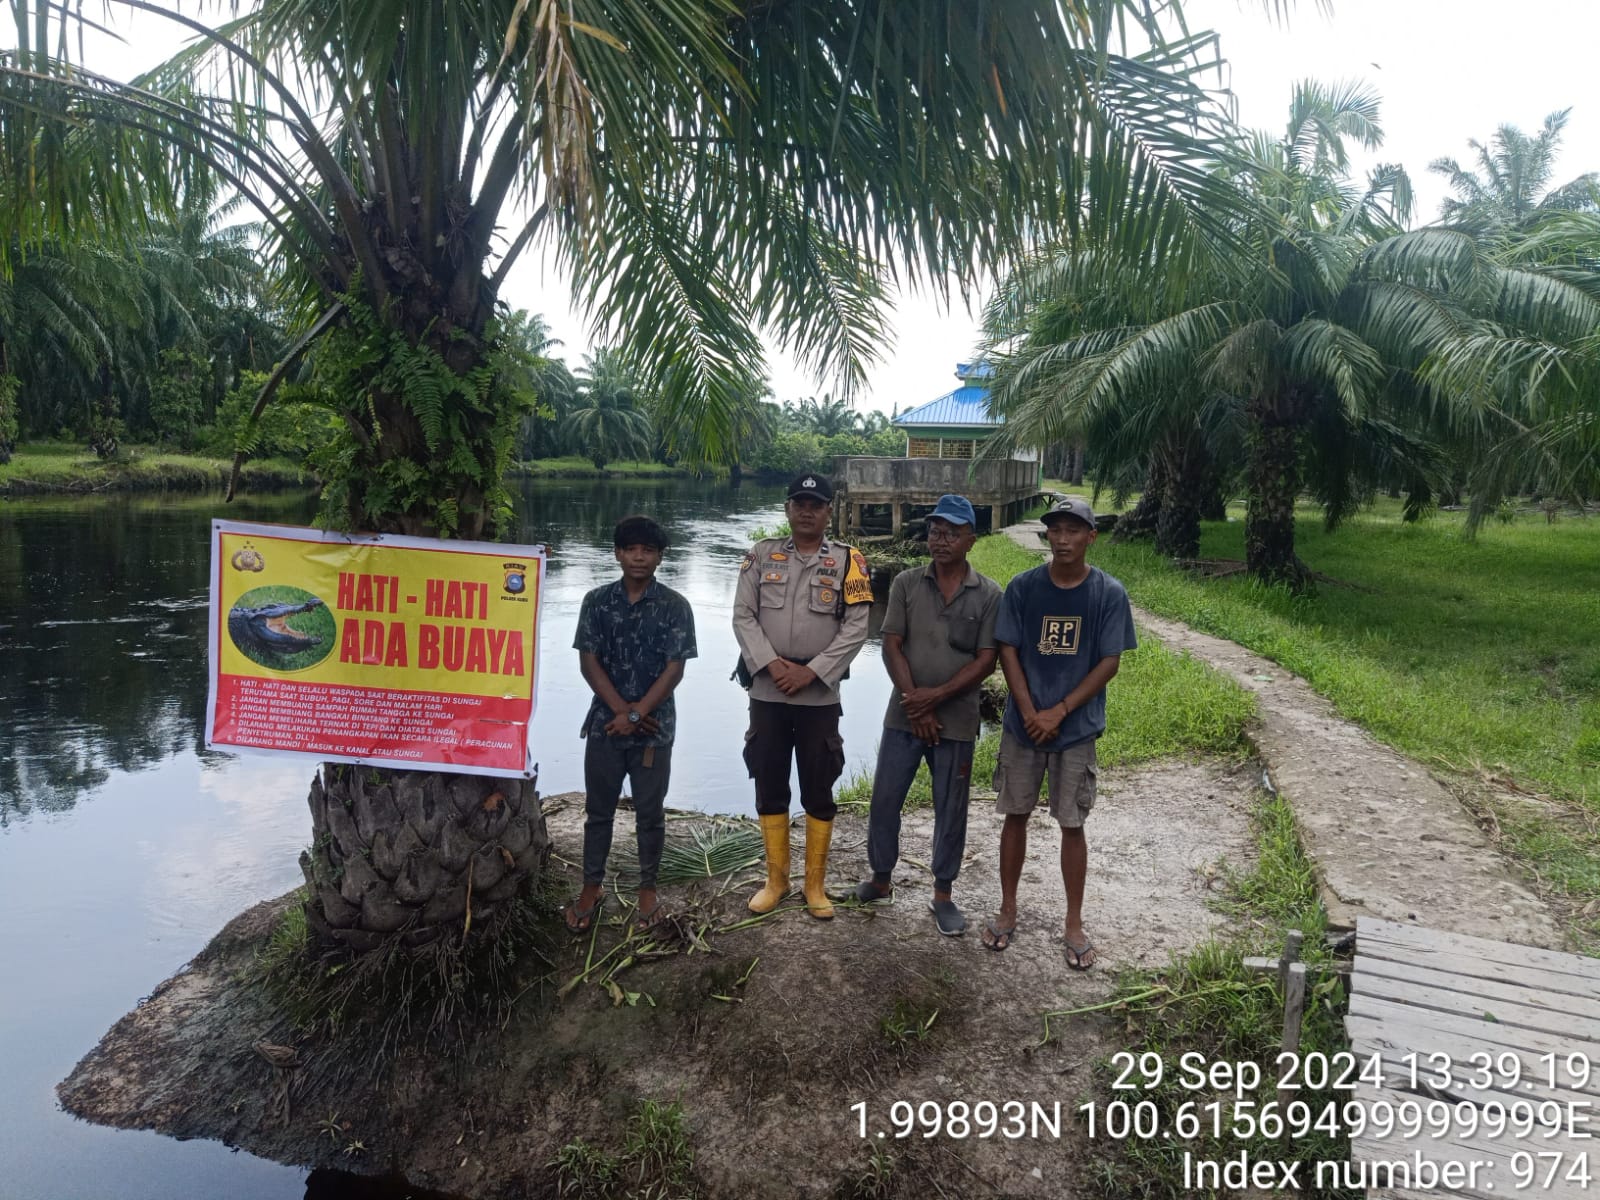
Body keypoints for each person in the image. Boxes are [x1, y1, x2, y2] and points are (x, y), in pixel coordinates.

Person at [983, 496, 1137, 969]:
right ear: (1046, 536)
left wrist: (1060, 712)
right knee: (1015, 815)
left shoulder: (1107, 594)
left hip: (1076, 730)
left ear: (1091, 537)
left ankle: (1073, 922)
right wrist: (1029, 708)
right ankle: (1008, 909)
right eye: (1056, 530)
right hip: (1022, 727)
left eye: (1074, 531)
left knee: (1073, 823)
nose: (1064, 539)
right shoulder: (1023, 587)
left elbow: (1108, 662)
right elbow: (1007, 648)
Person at [853, 494, 1000, 936]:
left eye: (952, 532)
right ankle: (880, 879)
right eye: (936, 531)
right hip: (904, 714)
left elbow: (986, 660)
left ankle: (943, 894)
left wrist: (932, 699)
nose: (941, 540)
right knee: (884, 799)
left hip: (955, 720)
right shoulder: (906, 583)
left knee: (950, 807)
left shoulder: (989, 593)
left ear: (970, 540)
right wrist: (914, 698)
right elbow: (891, 644)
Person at [732, 472, 871, 918]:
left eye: (816, 503)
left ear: (830, 511)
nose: (807, 510)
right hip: (768, 691)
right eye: (799, 502)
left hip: (819, 695)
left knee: (818, 783)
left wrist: (812, 672)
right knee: (769, 782)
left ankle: (815, 886)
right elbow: (743, 616)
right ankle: (776, 881)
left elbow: (857, 628)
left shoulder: (850, 561)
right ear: (788, 508)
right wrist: (773, 666)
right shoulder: (760, 555)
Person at [566, 515, 697, 934]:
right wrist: (621, 712)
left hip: (654, 731)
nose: (639, 557)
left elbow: (675, 670)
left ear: (660, 557)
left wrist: (638, 714)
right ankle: (591, 887)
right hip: (606, 727)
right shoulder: (596, 601)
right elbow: (589, 662)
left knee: (650, 814)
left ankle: (647, 891)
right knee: (598, 812)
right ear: (618, 553)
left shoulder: (676, 606)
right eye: (631, 549)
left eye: (648, 550)